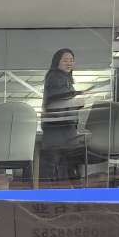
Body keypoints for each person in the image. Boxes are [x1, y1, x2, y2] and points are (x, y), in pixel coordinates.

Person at [40, 48, 86, 185]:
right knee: (59, 167)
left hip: (63, 129)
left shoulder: (65, 78)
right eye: (65, 60)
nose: (69, 63)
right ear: (57, 62)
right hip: (58, 131)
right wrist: (78, 101)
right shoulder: (56, 77)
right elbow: (58, 102)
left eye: (71, 60)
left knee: (60, 168)